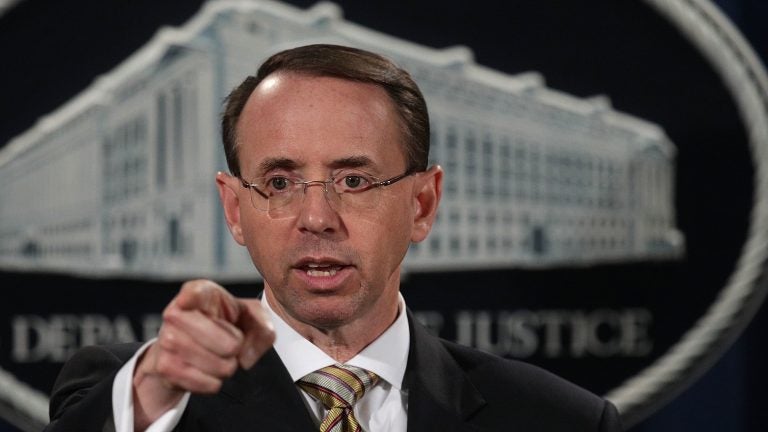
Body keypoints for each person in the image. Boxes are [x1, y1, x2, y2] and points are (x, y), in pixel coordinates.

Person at [45, 44, 622, 431]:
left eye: (353, 179)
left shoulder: (560, 420)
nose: (316, 216)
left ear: (422, 204)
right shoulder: (142, 401)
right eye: (279, 181)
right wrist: (151, 392)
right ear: (235, 208)